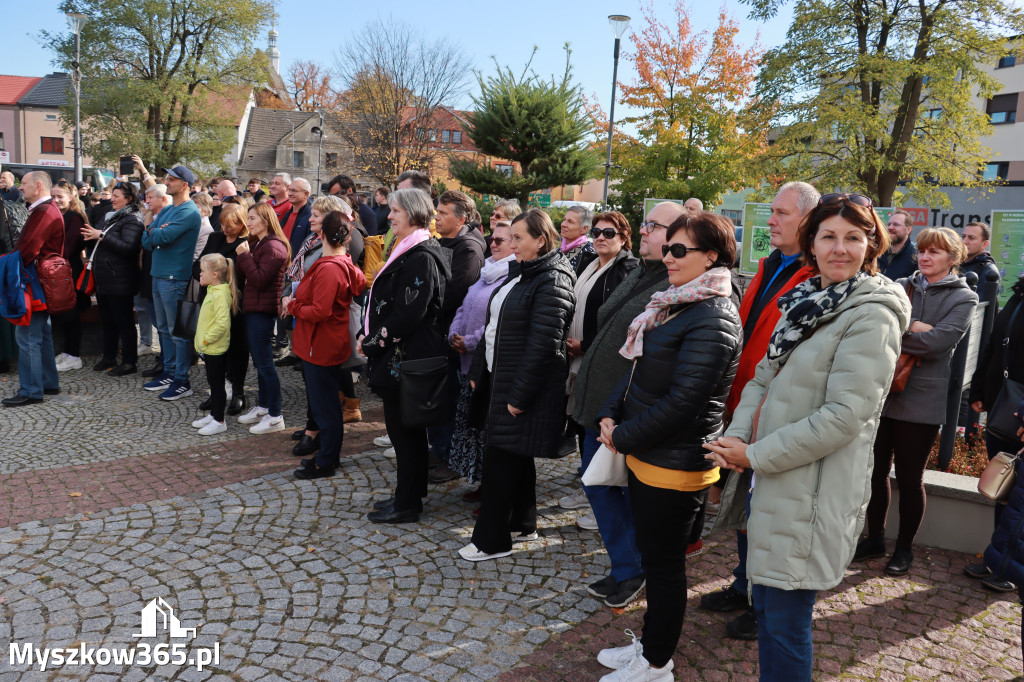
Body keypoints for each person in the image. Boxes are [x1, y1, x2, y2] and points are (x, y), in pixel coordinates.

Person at [705, 193, 910, 681]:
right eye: (829, 236)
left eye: (853, 238)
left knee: (784, 623)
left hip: (810, 490)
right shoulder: (805, 300)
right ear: (811, 244)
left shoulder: (872, 313)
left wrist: (754, 454)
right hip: (773, 479)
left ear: (871, 245)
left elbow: (843, 417)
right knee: (768, 610)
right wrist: (737, 442)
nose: (840, 248)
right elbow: (762, 377)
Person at [594, 212, 742, 682]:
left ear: (711, 256)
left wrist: (622, 436)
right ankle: (649, 645)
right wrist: (611, 412)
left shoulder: (713, 315)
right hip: (650, 453)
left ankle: (657, 662)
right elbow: (638, 370)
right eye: (667, 248)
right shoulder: (678, 302)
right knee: (654, 558)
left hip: (675, 463)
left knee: (664, 568)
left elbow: (683, 403)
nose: (669, 257)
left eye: (680, 250)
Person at [701, 181, 820, 640]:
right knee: (744, 505)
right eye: (772, 211)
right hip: (746, 402)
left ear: (807, 219)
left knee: (765, 511)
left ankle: (762, 602)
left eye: (781, 213)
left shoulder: (814, 277)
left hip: (776, 412)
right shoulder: (772, 264)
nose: (770, 220)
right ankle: (743, 583)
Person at [569, 201, 685, 608]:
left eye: (655, 225)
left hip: (621, 411)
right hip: (599, 405)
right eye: (645, 223)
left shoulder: (674, 284)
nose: (645, 230)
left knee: (610, 489)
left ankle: (632, 568)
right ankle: (627, 565)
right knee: (599, 486)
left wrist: (616, 410)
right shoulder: (640, 271)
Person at [855, 227, 977, 575]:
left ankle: (904, 549)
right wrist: (917, 327)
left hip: (923, 399)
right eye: (922, 251)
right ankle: (875, 538)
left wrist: (903, 329)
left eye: (934, 252)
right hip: (884, 392)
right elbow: (877, 329)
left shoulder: (964, 298)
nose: (925, 257)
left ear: (952, 258)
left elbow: (938, 344)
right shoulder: (900, 285)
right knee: (874, 472)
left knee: (910, 479)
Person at [459, 209, 576, 561]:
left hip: (519, 389)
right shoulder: (525, 272)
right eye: (510, 237)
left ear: (540, 240)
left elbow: (544, 347)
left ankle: (491, 542)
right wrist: (479, 371)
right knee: (515, 456)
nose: (511, 245)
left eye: (518, 238)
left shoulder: (552, 279)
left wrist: (519, 397)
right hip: (501, 380)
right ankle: (523, 523)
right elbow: (494, 328)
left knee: (500, 464)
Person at [362, 188, 452, 525]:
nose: (389, 216)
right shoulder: (410, 249)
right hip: (399, 356)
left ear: (413, 214)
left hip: (406, 358)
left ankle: (408, 503)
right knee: (405, 435)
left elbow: (408, 314)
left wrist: (372, 343)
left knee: (407, 435)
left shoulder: (421, 256)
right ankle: (407, 495)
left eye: (395, 210)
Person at [563, 211, 639, 530]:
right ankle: (588, 485)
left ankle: (601, 496)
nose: (601, 238)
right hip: (577, 358)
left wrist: (584, 344)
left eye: (609, 233)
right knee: (581, 422)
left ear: (624, 238)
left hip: (597, 358)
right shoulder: (590, 263)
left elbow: (615, 322)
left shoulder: (626, 270)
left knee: (596, 425)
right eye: (596, 232)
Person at [285, 211, 366, 479]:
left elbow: (320, 311)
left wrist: (293, 306)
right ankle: (328, 455)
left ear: (322, 235)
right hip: (325, 341)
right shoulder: (342, 261)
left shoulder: (330, 267)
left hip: (320, 344)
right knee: (326, 404)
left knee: (325, 407)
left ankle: (327, 461)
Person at [447, 222, 516, 486]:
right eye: (492, 239)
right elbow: (463, 307)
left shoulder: (511, 276)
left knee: (485, 431)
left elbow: (498, 323)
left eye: (500, 240)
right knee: (471, 429)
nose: (493, 244)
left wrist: (470, 342)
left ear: (514, 244)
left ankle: (491, 488)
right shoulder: (487, 270)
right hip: (466, 361)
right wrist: (454, 334)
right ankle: (480, 482)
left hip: (485, 364)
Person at [428, 190, 486, 483]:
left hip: (453, 337)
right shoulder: (444, 241)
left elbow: (454, 293)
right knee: (439, 397)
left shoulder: (469, 249)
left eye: (442, 213)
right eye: (437, 212)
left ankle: (449, 456)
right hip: (441, 334)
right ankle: (439, 448)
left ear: (461, 219)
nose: (436, 218)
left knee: (449, 399)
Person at [2, 171, 63, 407]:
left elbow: (27, 249)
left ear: (38, 186)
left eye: (24, 183)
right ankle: (47, 382)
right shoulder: (43, 209)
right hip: (38, 280)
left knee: (27, 338)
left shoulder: (44, 211)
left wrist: (3, 263)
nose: (20, 187)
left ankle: (31, 390)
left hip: (33, 281)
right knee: (41, 336)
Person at [140, 165, 201, 401]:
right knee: (164, 330)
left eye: (172, 179)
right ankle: (169, 372)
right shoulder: (168, 210)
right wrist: (154, 230)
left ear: (185, 185)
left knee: (178, 332)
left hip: (174, 278)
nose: (167, 182)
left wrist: (154, 231)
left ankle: (181, 380)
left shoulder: (189, 211)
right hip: (159, 275)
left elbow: (162, 237)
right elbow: (147, 241)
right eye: (167, 178)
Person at [236, 202, 291, 434]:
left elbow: (259, 280)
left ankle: (275, 416)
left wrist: (244, 256)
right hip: (254, 308)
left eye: (252, 218)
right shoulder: (261, 243)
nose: (248, 223)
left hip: (262, 311)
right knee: (259, 363)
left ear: (265, 221)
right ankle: (264, 406)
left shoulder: (274, 246)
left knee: (266, 365)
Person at [193, 202, 250, 416]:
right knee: (214, 350)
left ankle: (238, 391)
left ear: (241, 224)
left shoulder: (245, 243)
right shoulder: (215, 238)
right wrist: (208, 277)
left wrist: (219, 278)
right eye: (223, 224)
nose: (224, 229)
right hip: (210, 298)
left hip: (234, 303)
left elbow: (246, 275)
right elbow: (198, 266)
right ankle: (218, 391)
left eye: (230, 225)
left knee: (237, 349)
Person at [83, 181, 144, 376]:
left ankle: (129, 362)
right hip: (105, 278)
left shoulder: (133, 220)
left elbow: (128, 248)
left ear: (129, 199)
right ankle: (109, 357)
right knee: (107, 321)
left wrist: (101, 236)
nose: (113, 199)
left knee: (124, 322)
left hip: (121, 279)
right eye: (113, 195)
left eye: (117, 196)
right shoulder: (111, 216)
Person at [959, 221, 1001, 438]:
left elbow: (979, 314)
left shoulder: (988, 271)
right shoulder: (960, 264)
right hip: (957, 342)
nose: (965, 241)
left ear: (985, 244)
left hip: (971, 346)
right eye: (963, 236)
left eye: (971, 238)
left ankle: (963, 441)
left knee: (963, 397)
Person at [190, 253, 238, 436]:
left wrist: (205, 340)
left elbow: (222, 324)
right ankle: (213, 415)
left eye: (203, 271)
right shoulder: (213, 290)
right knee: (213, 384)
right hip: (210, 348)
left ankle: (219, 421)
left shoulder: (219, 295)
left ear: (215, 274)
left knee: (217, 386)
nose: (200, 274)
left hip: (215, 348)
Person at [50, 179, 89, 373]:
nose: (56, 200)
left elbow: (69, 247)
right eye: (53, 196)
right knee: (66, 315)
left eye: (60, 196)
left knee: (72, 315)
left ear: (70, 197)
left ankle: (74, 356)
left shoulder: (74, 217)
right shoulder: (61, 214)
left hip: (70, 271)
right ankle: (67, 352)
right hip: (61, 271)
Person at [138, 184, 168, 372]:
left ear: (162, 199)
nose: (146, 201)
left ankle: (167, 361)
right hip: (149, 275)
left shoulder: (166, 218)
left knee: (163, 324)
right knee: (158, 322)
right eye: (146, 197)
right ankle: (165, 358)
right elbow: (145, 243)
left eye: (150, 198)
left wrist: (149, 228)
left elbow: (150, 243)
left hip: (160, 275)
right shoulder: (151, 217)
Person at [879, 209, 917, 280]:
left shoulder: (915, 259)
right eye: (889, 224)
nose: (890, 227)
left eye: (896, 224)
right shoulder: (877, 254)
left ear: (908, 230)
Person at [560, 206, 595, 271]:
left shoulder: (589, 254)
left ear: (584, 229)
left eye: (570, 222)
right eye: (564, 220)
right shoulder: (559, 250)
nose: (563, 224)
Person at [190, 192, 215, 261]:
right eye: (191, 206)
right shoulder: (188, 222)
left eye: (196, 207)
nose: (192, 209)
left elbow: (196, 257)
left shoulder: (206, 230)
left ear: (206, 210)